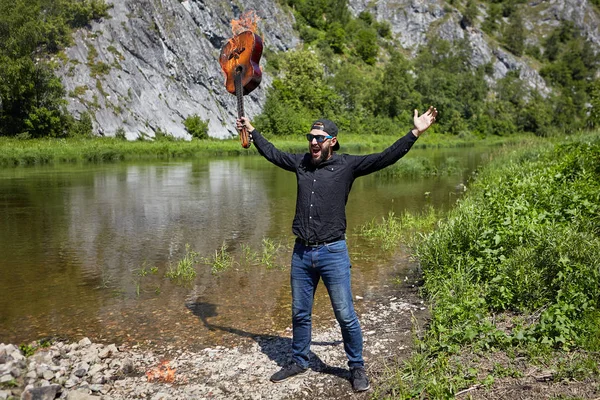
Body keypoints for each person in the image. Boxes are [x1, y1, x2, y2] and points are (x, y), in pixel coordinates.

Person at [236, 107, 437, 392]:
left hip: (333, 253)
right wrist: (253, 132)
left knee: (344, 314)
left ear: (333, 141)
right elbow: (274, 153)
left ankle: (356, 367)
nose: (314, 142)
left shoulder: (347, 166)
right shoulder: (301, 163)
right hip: (302, 253)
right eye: (310, 137)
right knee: (300, 312)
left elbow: (385, 157)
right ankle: (299, 360)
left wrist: (415, 132)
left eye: (320, 137)